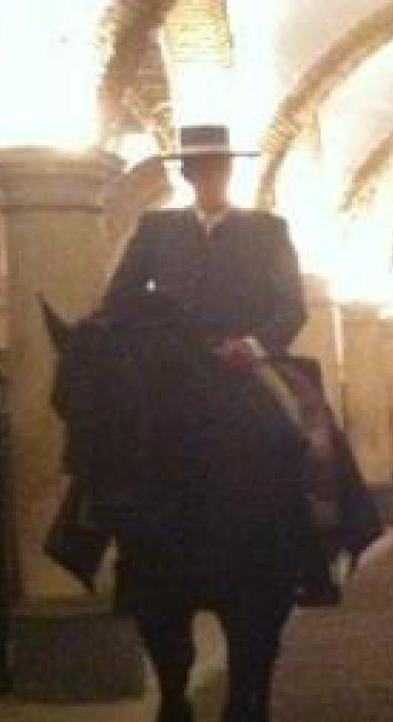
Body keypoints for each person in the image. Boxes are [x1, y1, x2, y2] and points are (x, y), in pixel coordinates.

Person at [103, 123, 340, 606]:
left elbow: (290, 306)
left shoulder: (267, 230)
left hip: (246, 363)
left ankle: (309, 552)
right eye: (200, 167)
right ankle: (110, 545)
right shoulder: (156, 230)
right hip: (172, 368)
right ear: (188, 173)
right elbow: (120, 300)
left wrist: (253, 345)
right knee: (113, 440)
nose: (210, 174)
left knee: (299, 434)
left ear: (228, 170)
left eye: (218, 166)